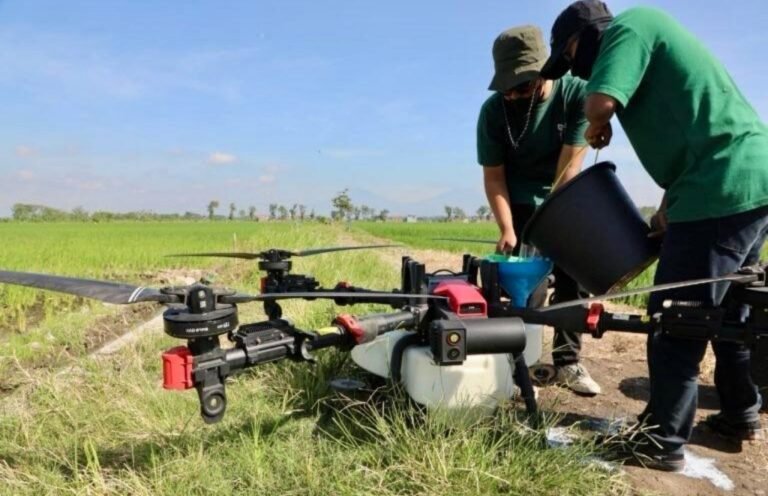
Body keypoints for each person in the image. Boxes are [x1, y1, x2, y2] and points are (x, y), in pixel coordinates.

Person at [541, 0, 768, 471]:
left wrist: (596, 121)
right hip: (744, 183)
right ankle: (739, 415)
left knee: (675, 318)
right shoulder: (651, 39)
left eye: (569, 59)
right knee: (728, 315)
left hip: (719, 189)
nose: (574, 71)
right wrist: (669, 205)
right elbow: (694, 127)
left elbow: (599, 103)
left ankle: (660, 440)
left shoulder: (631, 26)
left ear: (583, 39)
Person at [477, 25, 601, 395]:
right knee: (523, 290)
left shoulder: (575, 95)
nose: (515, 95)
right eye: (508, 88)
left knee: (571, 283)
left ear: (546, 71)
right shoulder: (493, 113)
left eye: (524, 86)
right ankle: (517, 365)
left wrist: (552, 229)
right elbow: (494, 178)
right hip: (516, 204)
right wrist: (508, 229)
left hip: (565, 198)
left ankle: (567, 363)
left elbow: (569, 170)